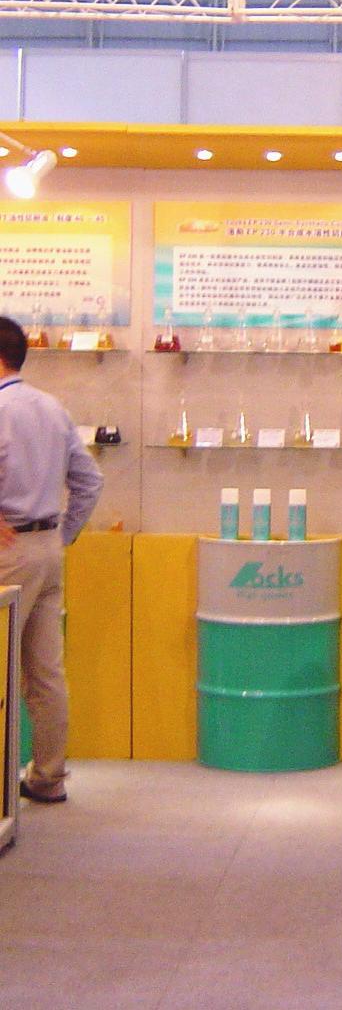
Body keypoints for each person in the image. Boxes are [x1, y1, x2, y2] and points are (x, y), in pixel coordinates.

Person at [0, 315, 104, 804]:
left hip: (8, 552)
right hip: (45, 548)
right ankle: (47, 776)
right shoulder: (51, 407)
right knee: (45, 671)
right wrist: (62, 534)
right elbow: (90, 481)